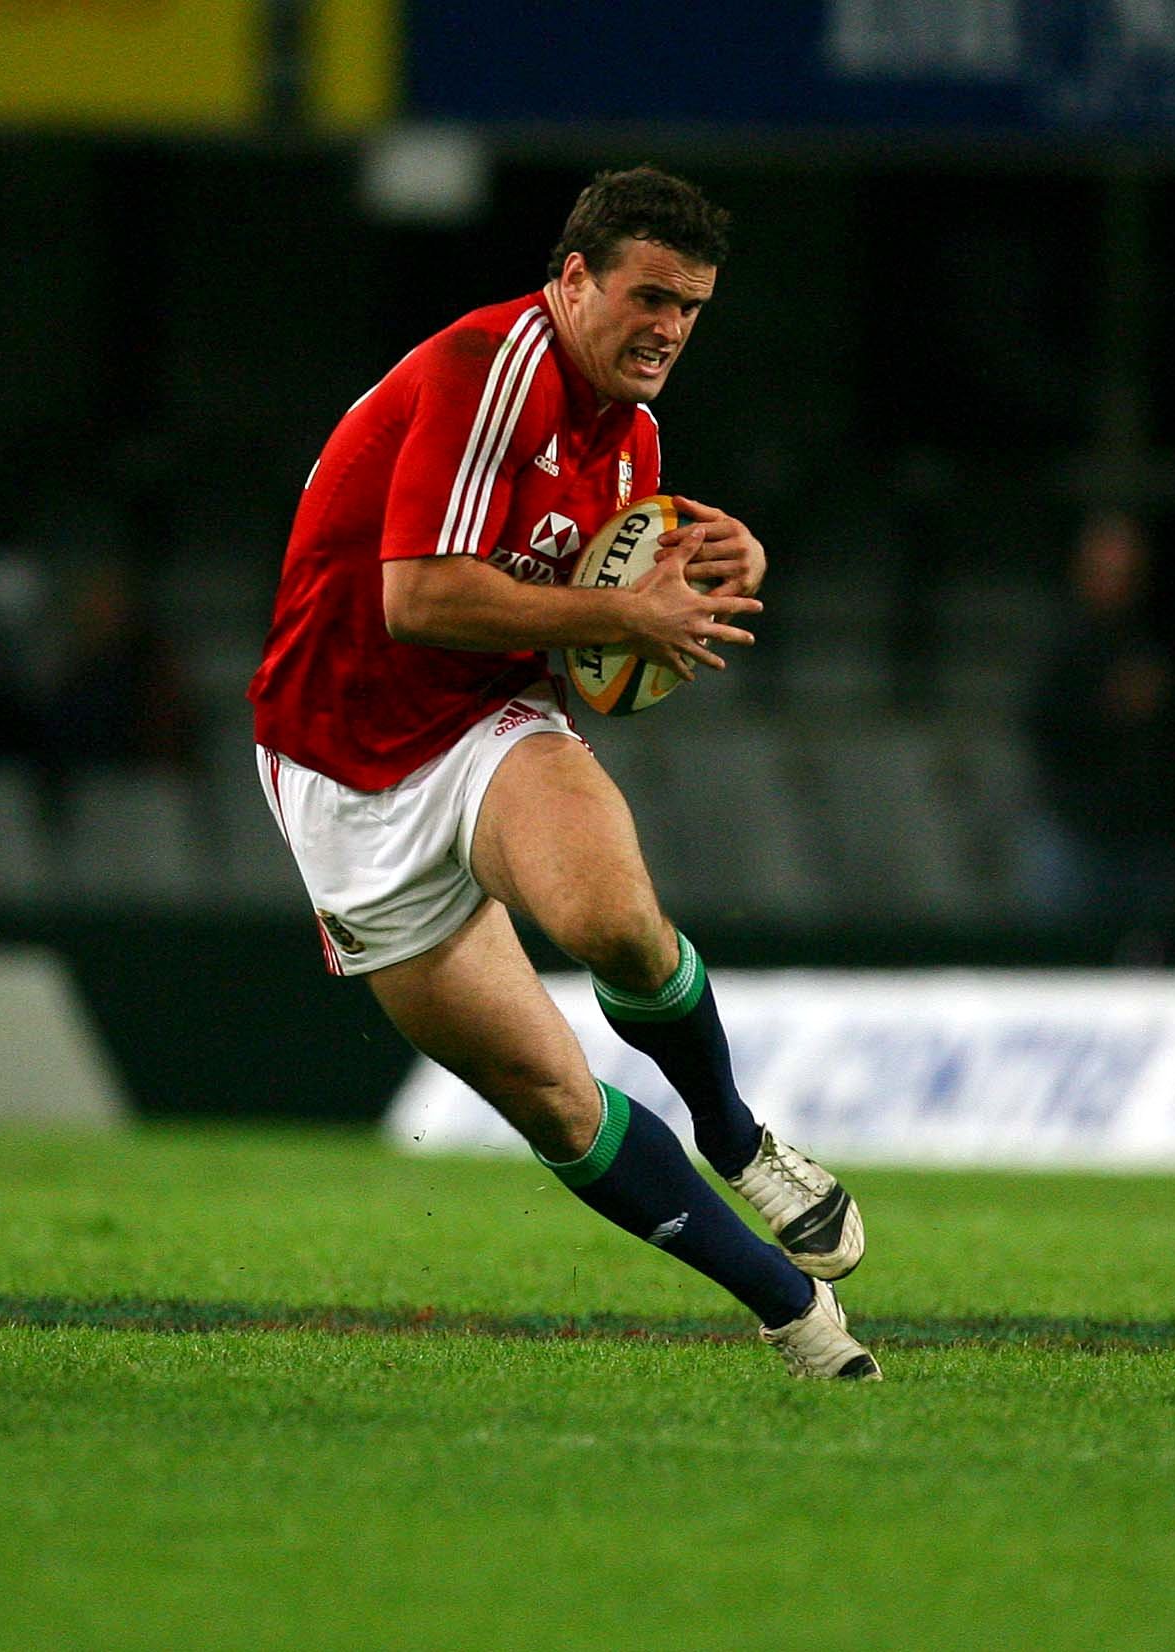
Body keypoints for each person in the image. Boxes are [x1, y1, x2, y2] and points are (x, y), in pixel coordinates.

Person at [248, 166, 878, 1382]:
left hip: (485, 720)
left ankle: (736, 1136)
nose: (669, 329)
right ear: (573, 278)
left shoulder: (631, 436)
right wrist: (626, 615)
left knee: (611, 921)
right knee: (549, 1094)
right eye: (650, 297)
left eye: (690, 308)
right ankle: (787, 1305)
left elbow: (592, 653)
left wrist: (714, 565)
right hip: (337, 770)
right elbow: (418, 597)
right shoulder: (488, 368)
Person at [1023, 509, 1175, 958]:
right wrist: (1108, 706)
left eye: (1125, 567)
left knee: (1151, 960)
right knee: (1064, 960)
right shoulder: (1058, 640)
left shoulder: (1156, 636)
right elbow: (1042, 728)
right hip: (1076, 831)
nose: (1115, 578)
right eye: (1105, 565)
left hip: (1147, 835)